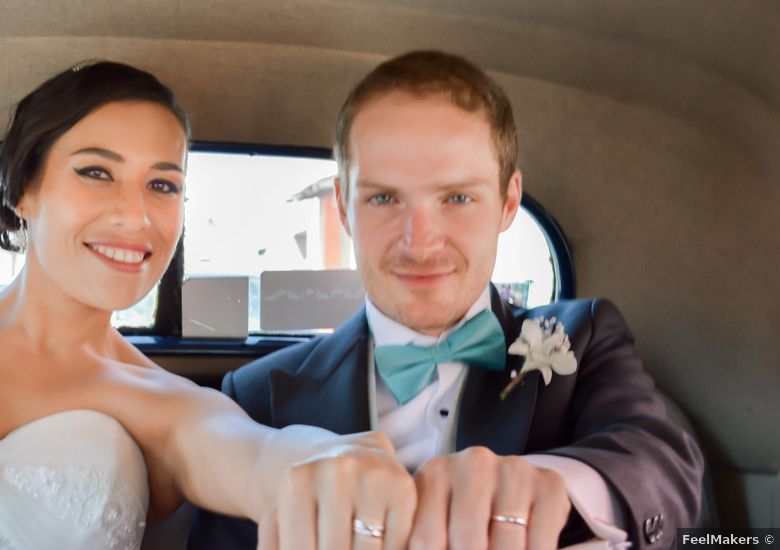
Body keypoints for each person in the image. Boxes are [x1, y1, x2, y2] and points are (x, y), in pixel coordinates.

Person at [0, 61, 418, 550]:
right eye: (96, 172)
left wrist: (327, 466)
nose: (136, 216)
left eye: (162, 185)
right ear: (25, 188)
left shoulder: (173, 408)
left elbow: (261, 456)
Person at [189, 50, 705, 549]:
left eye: (457, 198)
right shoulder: (257, 396)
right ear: (345, 211)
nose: (421, 242)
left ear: (507, 204)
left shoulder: (584, 336)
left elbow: (662, 467)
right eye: (384, 198)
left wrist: (544, 486)